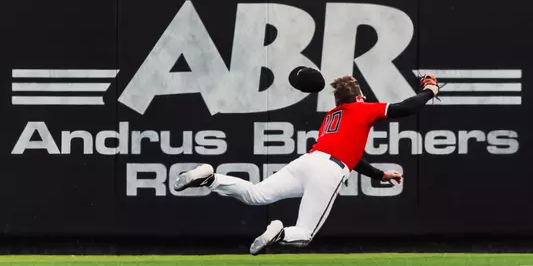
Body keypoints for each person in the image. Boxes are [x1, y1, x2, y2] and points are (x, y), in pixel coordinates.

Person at [173, 71, 440, 255]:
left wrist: (379, 174)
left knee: (255, 194)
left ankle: (211, 178)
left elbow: (352, 155)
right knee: (303, 235)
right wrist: (429, 91)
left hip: (308, 162)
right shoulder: (362, 108)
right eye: (363, 96)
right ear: (359, 97)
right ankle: (278, 233)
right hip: (329, 170)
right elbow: (407, 107)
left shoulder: (333, 115)